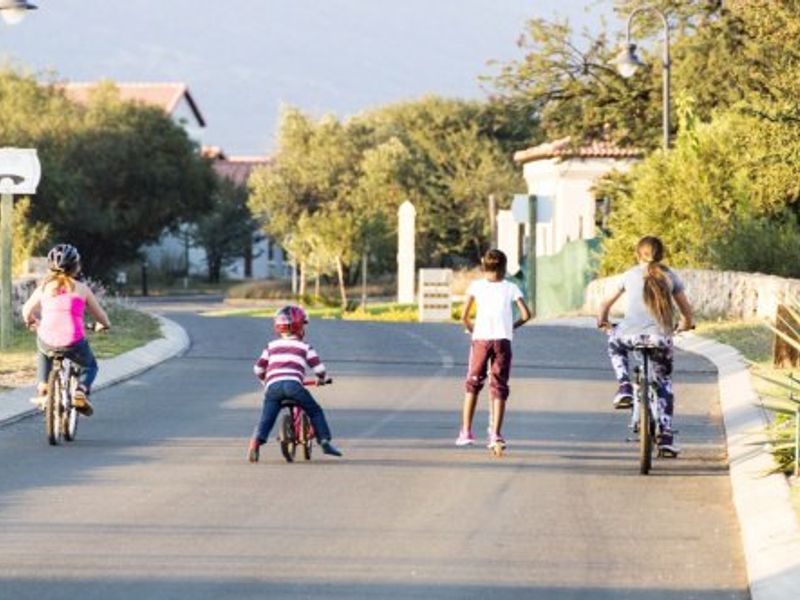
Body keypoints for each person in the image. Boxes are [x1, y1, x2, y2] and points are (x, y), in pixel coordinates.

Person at [596, 235, 695, 457]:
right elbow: (687, 313)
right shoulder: (670, 277)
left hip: (629, 336)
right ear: (662, 255)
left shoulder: (629, 275)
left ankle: (624, 386)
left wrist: (602, 321)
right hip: (660, 338)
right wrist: (685, 325)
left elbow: (604, 304)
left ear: (637, 254)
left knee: (614, 342)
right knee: (664, 383)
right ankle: (666, 436)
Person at [21, 243, 111, 416]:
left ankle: (43, 387)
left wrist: (31, 321)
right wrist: (104, 325)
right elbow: (101, 317)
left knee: (43, 349)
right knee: (90, 366)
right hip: (73, 342)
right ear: (76, 267)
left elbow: (26, 310)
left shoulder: (44, 288)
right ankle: (81, 390)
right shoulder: (82, 289)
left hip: (47, 339)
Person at [247, 305, 342, 462]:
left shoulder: (271, 346)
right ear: (300, 327)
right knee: (315, 411)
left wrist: (266, 382)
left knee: (267, 418)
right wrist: (321, 378)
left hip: (273, 388)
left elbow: (258, 368)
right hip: (294, 386)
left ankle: (255, 443)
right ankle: (324, 441)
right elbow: (319, 368)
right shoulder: (304, 347)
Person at [456, 249, 531, 449]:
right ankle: (496, 434)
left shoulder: (476, 286)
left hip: (481, 340)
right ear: (505, 268)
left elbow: (463, 316)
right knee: (499, 387)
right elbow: (526, 314)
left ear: (483, 266)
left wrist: (472, 329)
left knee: (473, 384)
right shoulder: (511, 287)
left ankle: (466, 431)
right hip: (502, 341)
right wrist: (511, 327)